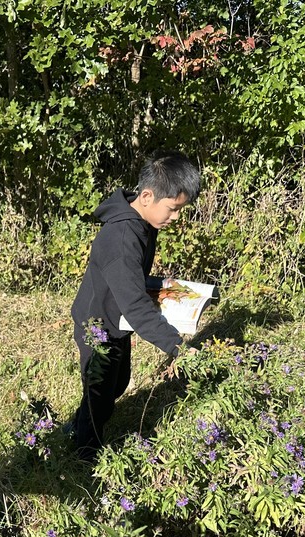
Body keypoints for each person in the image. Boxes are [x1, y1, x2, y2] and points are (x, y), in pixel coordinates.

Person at [68, 151, 201, 462]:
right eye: (173, 208)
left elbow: (128, 279)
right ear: (146, 196)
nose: (176, 217)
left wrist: (159, 285)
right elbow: (136, 306)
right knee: (99, 397)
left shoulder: (142, 223)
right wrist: (176, 347)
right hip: (97, 326)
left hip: (115, 320)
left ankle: (77, 427)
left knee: (119, 382)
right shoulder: (122, 237)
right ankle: (83, 458)